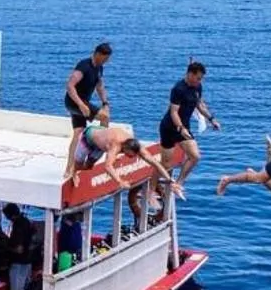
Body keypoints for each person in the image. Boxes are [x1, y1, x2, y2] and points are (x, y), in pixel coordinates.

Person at [74, 109, 184, 217]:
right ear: (125, 148)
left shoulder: (136, 145)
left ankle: (94, 162)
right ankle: (73, 172)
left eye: (134, 155)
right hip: (88, 138)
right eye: (130, 155)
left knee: (88, 166)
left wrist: (170, 181)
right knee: (78, 165)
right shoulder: (115, 145)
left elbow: (155, 163)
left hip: (101, 145)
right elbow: (107, 166)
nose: (132, 157)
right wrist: (120, 181)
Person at [159, 61, 221, 187]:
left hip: (184, 127)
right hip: (169, 128)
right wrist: (180, 128)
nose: (200, 80)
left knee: (195, 156)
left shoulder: (198, 87)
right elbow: (174, 112)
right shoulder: (178, 89)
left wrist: (211, 119)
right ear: (190, 74)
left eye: (201, 78)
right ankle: (155, 188)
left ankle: (178, 183)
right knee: (166, 164)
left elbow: (199, 105)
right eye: (198, 78)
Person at [64, 42, 113, 182]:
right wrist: (81, 105)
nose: (106, 61)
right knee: (105, 117)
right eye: (104, 58)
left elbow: (100, 86)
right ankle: (99, 147)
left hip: (82, 103)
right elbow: (70, 86)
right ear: (97, 54)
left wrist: (105, 103)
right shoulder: (84, 66)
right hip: (74, 102)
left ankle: (69, 169)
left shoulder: (99, 68)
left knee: (78, 133)